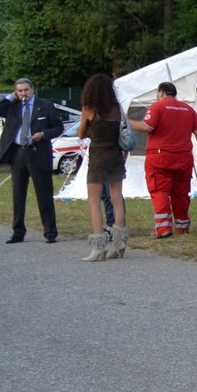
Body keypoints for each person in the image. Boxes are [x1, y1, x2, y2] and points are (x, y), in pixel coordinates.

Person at [130, 81, 197, 238]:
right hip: (184, 157)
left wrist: (128, 122)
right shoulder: (188, 109)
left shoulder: (157, 107)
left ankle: (163, 228)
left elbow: (147, 127)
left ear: (161, 92)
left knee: (159, 190)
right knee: (181, 192)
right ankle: (182, 227)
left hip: (160, 157)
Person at [0, 77, 63, 243]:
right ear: (16, 92)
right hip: (18, 153)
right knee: (18, 194)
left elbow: (58, 127)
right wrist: (11, 97)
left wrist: (43, 135)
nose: (23, 93)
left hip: (38, 152)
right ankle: (18, 232)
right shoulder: (12, 107)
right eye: (20, 90)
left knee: (44, 193)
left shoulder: (45, 106)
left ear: (33, 90)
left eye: (26, 90)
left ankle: (50, 231)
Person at [76, 72, 128, 261]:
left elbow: (81, 133)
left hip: (98, 157)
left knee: (94, 201)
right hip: (116, 155)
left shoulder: (89, 109)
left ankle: (98, 248)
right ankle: (119, 245)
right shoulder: (118, 108)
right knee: (117, 199)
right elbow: (124, 130)